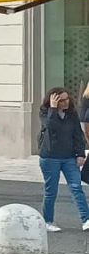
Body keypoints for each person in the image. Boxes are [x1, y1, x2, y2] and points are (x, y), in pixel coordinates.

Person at [37, 86, 89, 232]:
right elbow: (50, 126)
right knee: (51, 191)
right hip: (50, 157)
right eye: (61, 100)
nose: (66, 102)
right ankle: (48, 221)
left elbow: (78, 134)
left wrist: (80, 154)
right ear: (53, 101)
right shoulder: (45, 112)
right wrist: (53, 109)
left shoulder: (72, 114)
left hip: (69, 157)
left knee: (76, 187)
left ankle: (86, 219)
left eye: (67, 99)